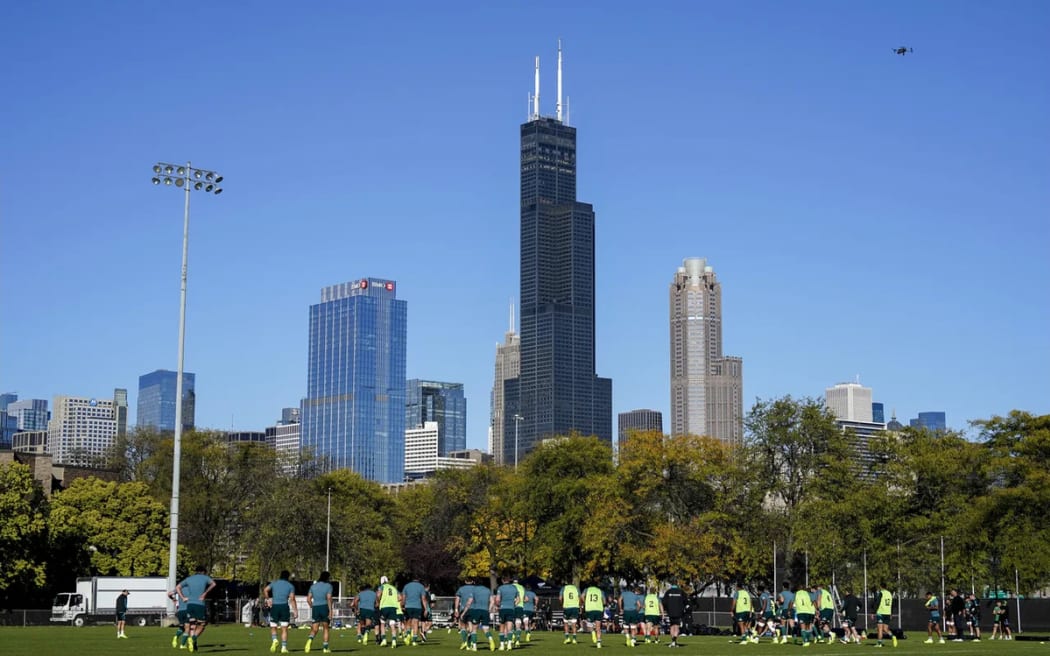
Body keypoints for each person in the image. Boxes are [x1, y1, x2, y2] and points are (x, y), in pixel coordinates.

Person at [176, 565, 216, 653]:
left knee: (192, 625)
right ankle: (192, 638)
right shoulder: (205, 578)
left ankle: (193, 645)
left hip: (189, 605)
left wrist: (183, 597)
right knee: (202, 624)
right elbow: (213, 584)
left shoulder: (189, 579)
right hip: (199, 604)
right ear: (203, 572)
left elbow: (178, 587)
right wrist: (205, 593)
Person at [265, 570, 297, 654]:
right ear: (288, 577)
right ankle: (283, 648)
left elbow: (265, 590)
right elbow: (292, 599)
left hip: (275, 607)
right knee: (284, 629)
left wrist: (268, 600)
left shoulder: (274, 583)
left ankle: (275, 639)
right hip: (284, 607)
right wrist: (295, 611)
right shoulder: (290, 586)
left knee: (273, 626)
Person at [305, 571, 334, 653]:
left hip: (316, 608)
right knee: (326, 628)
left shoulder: (313, 586)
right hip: (324, 607)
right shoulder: (329, 586)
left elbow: (308, 599)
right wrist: (331, 611)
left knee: (314, 628)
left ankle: (309, 640)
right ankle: (325, 648)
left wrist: (312, 606)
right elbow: (328, 598)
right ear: (327, 578)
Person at [402, 577, 429, 646]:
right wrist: (426, 609)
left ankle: (408, 634)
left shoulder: (406, 586)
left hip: (408, 606)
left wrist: (402, 605)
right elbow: (423, 599)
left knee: (408, 621)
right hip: (417, 607)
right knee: (416, 623)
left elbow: (403, 597)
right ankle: (414, 641)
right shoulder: (421, 587)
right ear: (418, 581)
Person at [494, 576, 519, 650]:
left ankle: (502, 645)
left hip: (503, 608)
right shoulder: (514, 588)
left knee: (502, 626)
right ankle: (509, 644)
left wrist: (497, 605)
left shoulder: (500, 588)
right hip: (511, 609)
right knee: (510, 626)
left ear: (502, 580)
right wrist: (514, 605)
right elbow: (518, 599)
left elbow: (498, 599)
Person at [469, 579, 494, 651]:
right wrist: (489, 609)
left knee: (474, 629)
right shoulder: (488, 590)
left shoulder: (474, 590)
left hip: (476, 610)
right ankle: (491, 640)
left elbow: (470, 601)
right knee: (486, 629)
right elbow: (492, 601)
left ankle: (474, 647)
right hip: (485, 611)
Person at [378, 575, 402, 647]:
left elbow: (378, 595)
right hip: (393, 607)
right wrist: (394, 600)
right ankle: (394, 641)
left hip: (384, 606)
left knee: (382, 623)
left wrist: (379, 601)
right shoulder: (394, 588)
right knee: (392, 624)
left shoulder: (382, 587)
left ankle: (384, 640)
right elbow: (400, 597)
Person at [662, 581, 687, 648]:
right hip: (678, 612)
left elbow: (664, 602)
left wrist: (667, 609)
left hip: (670, 612)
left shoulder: (668, 592)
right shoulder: (681, 592)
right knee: (677, 627)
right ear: (677, 584)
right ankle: (674, 641)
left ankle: (673, 642)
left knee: (672, 626)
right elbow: (686, 601)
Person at [453, 578, 476, 650]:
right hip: (473, 609)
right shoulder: (476, 589)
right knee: (471, 626)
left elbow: (457, 599)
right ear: (472, 581)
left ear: (465, 581)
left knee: (462, 626)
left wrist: (456, 609)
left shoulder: (461, 589)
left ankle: (464, 642)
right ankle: (470, 642)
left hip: (463, 609)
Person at [791, 582, 815, 646]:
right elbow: (813, 601)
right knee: (807, 627)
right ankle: (807, 640)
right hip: (809, 612)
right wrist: (816, 609)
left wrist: (789, 610)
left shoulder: (796, 593)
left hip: (801, 612)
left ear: (798, 588)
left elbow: (791, 602)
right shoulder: (808, 593)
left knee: (803, 627)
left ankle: (805, 641)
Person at [582, 583, 605, 648]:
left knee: (589, 626)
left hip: (590, 609)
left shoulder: (586, 590)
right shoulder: (600, 591)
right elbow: (604, 601)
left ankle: (592, 633)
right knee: (598, 627)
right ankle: (599, 643)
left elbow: (582, 596)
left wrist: (585, 602)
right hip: (599, 609)